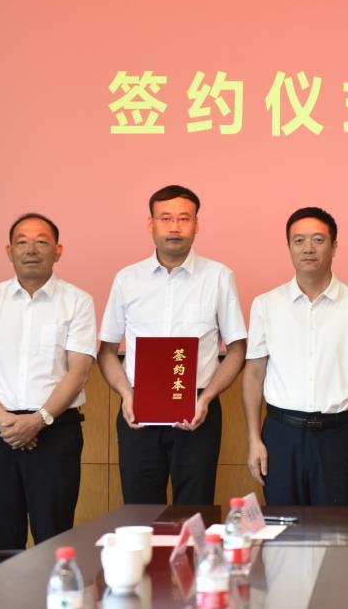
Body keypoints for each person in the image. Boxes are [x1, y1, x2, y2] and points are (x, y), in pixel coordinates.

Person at [99, 185, 246, 505]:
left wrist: (207, 398)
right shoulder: (127, 279)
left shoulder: (219, 276)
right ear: (150, 224)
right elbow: (107, 351)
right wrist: (126, 394)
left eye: (184, 218)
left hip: (197, 410)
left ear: (197, 225)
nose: (175, 227)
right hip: (138, 410)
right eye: (165, 218)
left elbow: (237, 348)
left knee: (194, 510)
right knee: (139, 512)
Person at [0, 213, 96, 550]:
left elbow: (78, 371)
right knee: (1, 541)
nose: (31, 249)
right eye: (21, 242)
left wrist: (38, 420)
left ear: (58, 250)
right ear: (9, 251)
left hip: (54, 431)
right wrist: (5, 422)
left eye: (41, 242)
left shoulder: (77, 301)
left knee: (54, 538)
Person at [243, 207, 348, 505]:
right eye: (299, 241)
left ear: (334, 246)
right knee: (282, 527)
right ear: (289, 247)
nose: (308, 248)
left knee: (336, 529)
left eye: (318, 240)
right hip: (281, 435)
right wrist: (254, 439)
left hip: (338, 436)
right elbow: (254, 373)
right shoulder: (266, 305)